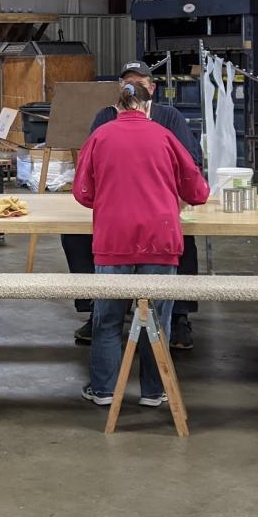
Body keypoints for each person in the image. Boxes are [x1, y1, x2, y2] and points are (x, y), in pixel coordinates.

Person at [74, 82, 209, 407]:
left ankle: (104, 390)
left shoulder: (99, 137)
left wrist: (111, 201)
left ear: (117, 107)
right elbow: (199, 193)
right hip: (160, 240)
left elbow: (82, 192)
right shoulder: (165, 137)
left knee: (107, 318)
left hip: (113, 240)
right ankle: (153, 391)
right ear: (148, 107)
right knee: (157, 322)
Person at [62, 60, 204, 349]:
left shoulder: (168, 117)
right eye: (128, 82)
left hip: (163, 206)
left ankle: (178, 315)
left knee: (183, 240)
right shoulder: (105, 117)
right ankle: (95, 307)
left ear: (152, 88)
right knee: (75, 236)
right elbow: (90, 168)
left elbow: (192, 162)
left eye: (139, 83)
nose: (133, 88)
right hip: (121, 206)